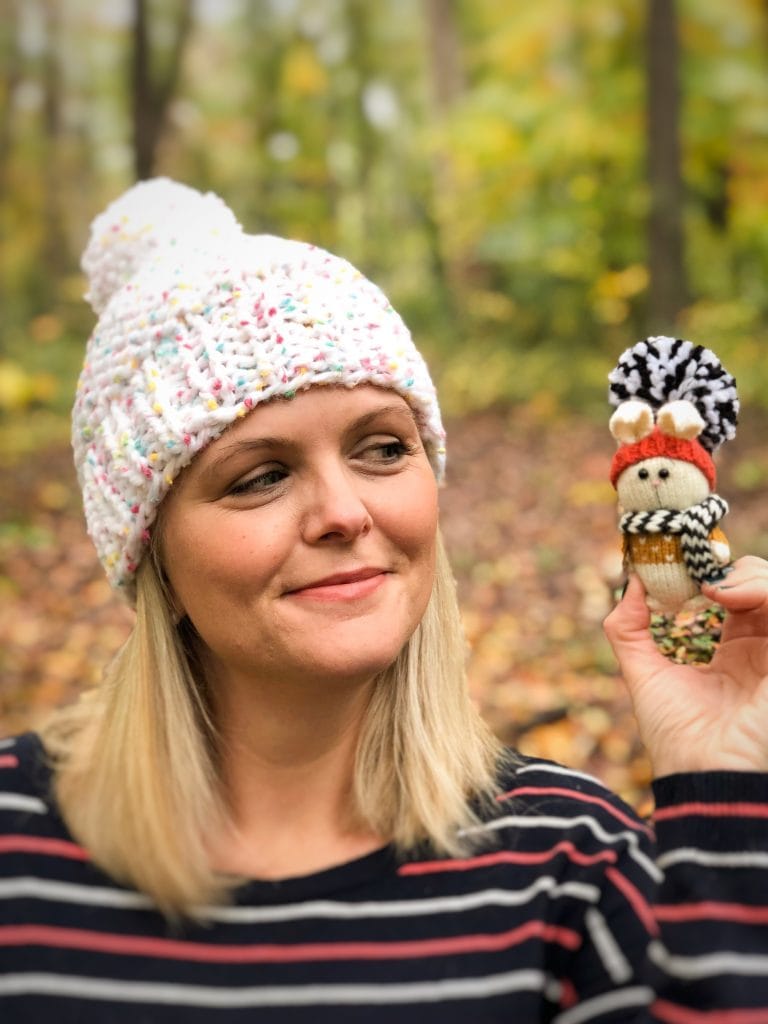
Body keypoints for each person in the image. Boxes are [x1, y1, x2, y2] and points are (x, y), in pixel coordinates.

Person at [1, 178, 768, 1023]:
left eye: (381, 448)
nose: (344, 512)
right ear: (154, 558)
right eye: (259, 477)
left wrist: (721, 789)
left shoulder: (573, 869)